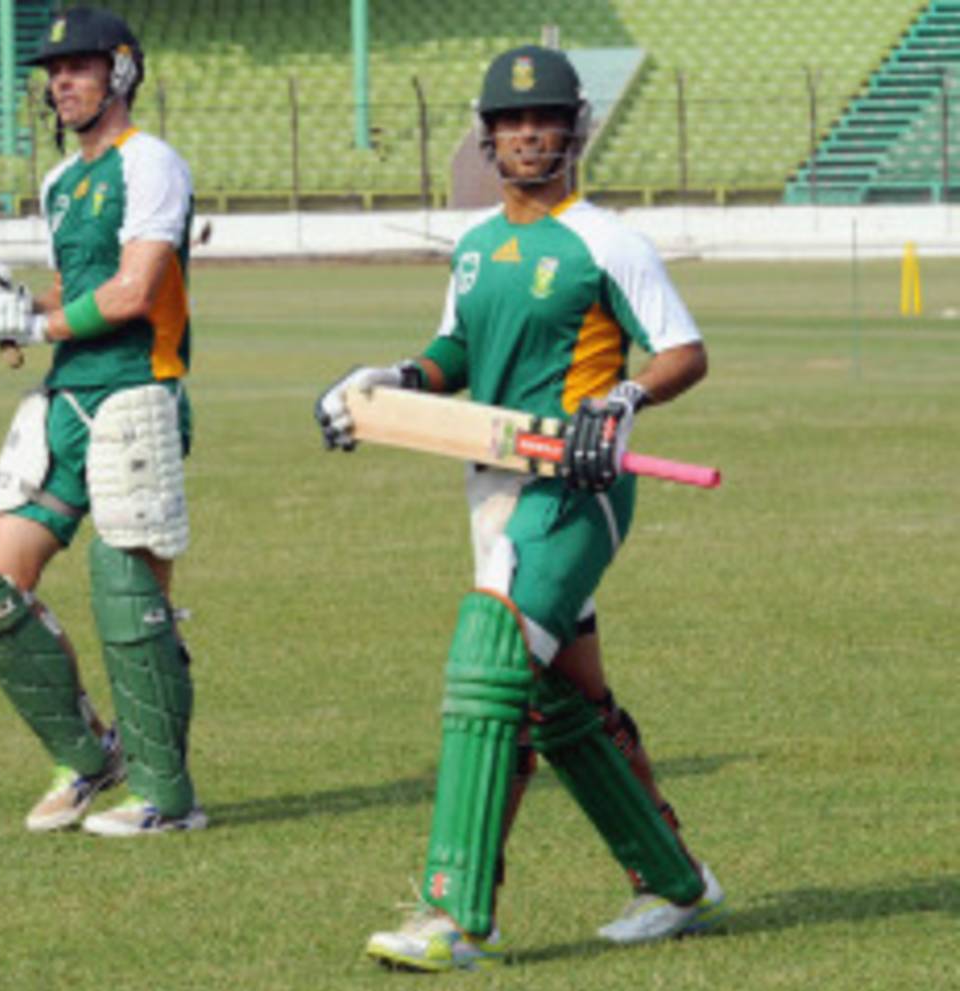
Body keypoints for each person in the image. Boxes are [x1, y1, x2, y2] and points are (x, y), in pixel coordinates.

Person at [315, 45, 726, 971]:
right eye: (511, 122)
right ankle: (674, 881)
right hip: (492, 483)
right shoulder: (474, 247)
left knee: (489, 658)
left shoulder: (606, 240)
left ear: (573, 131)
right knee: (559, 702)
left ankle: (454, 912)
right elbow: (454, 351)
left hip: (577, 490)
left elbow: (682, 351)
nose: (529, 134)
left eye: (545, 120)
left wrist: (623, 400)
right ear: (488, 136)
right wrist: (390, 381)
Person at [0, 5, 206, 838]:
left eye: (78, 67)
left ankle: (167, 795)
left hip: (137, 390)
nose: (61, 83)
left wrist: (32, 324)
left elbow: (132, 294)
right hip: (66, 397)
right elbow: (76, 291)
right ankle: (90, 756)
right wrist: (4, 299)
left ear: (120, 71)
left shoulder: (149, 162)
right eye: (53, 71)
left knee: (133, 606)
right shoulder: (60, 181)